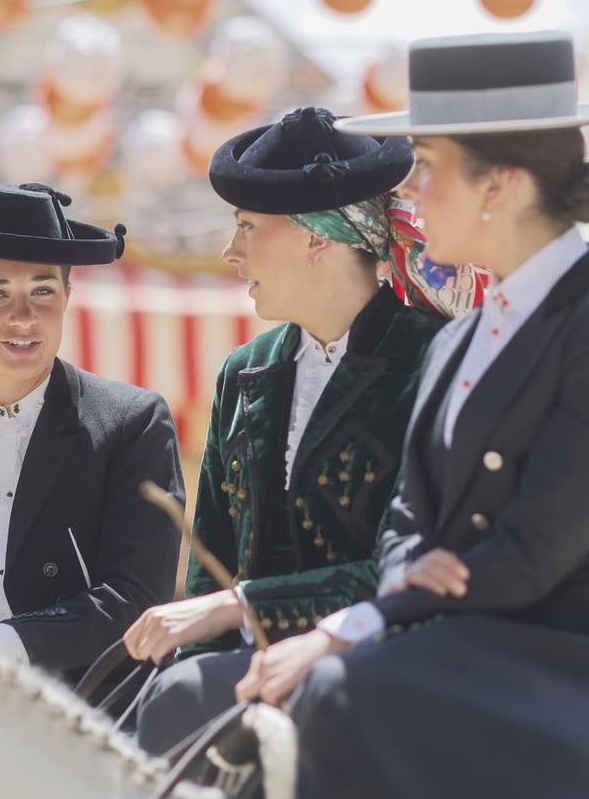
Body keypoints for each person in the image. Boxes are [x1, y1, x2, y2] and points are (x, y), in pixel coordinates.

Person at [235, 32, 589, 799]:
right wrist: (404, 580)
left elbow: (534, 549)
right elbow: (407, 519)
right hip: (455, 636)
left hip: (578, 655)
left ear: (501, 186)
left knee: (336, 690)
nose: (410, 192)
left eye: (426, 166)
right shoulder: (458, 334)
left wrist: (352, 624)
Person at [124, 106, 483, 754]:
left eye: (247, 227)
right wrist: (195, 648)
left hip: (391, 670)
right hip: (245, 683)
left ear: (320, 237)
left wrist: (240, 606)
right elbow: (213, 563)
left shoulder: (437, 360)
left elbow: (411, 568)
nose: (229, 253)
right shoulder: (243, 371)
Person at [0, 181, 185, 687]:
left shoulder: (133, 424)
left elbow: (136, 598)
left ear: (68, 295)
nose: (23, 316)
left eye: (42, 290)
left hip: (87, 712)